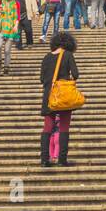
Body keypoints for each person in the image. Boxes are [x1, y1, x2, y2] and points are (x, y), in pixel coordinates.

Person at [39, 32, 79, 166]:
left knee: (47, 127)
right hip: (63, 95)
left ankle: (44, 159)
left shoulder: (46, 57)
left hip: (49, 95)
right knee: (64, 127)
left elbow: (42, 79)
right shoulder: (68, 55)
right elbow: (75, 74)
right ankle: (62, 159)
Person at [0, 0, 20, 74]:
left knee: (7, 50)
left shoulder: (16, 3)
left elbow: (17, 16)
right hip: (0, 29)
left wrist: (16, 26)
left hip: (11, 29)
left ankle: (6, 66)